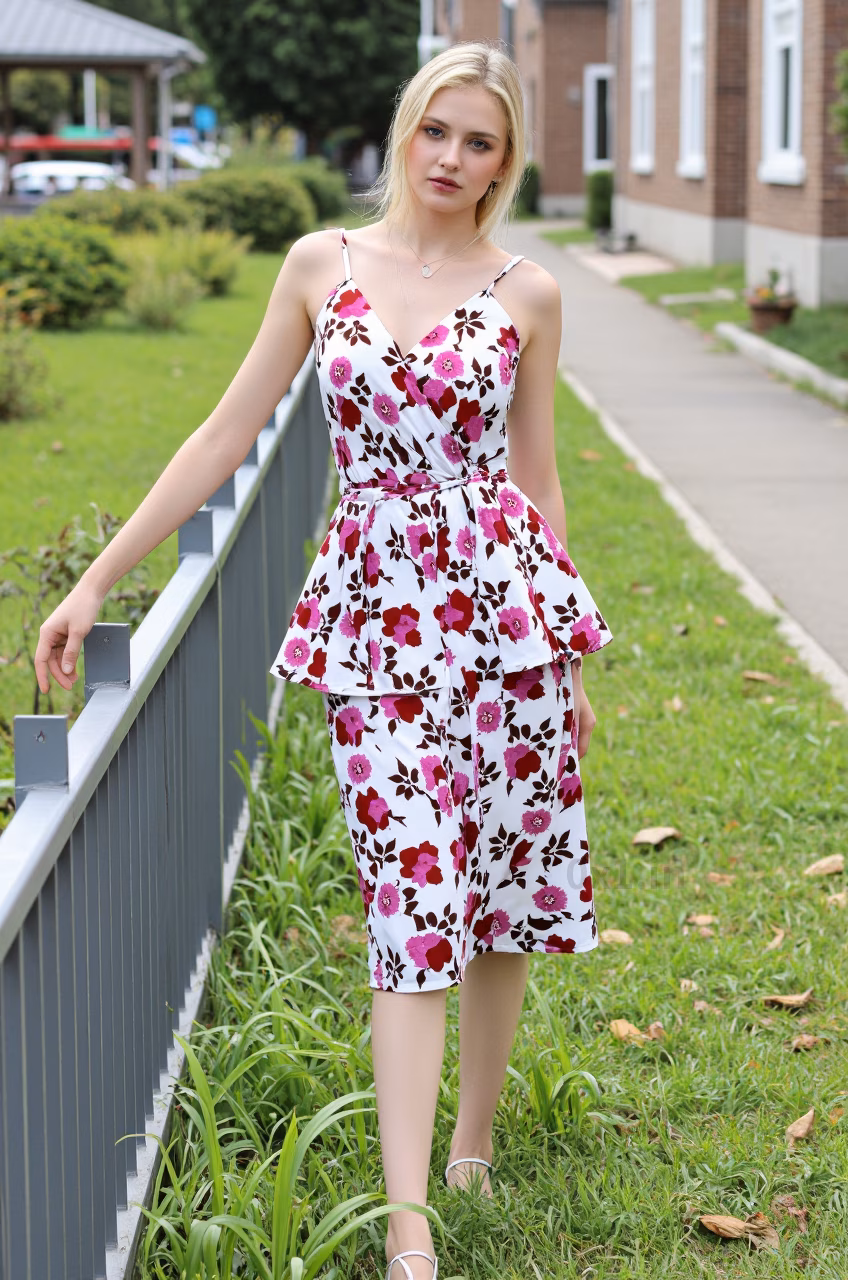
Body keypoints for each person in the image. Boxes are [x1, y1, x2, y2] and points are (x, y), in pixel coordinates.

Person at [34, 40, 613, 1280]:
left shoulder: (528, 291)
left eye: (481, 143)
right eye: (436, 132)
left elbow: (538, 479)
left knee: (497, 882)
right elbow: (224, 428)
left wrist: (561, 648)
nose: (452, 159)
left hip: (505, 621)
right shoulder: (320, 266)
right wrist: (96, 580)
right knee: (410, 887)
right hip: (376, 625)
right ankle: (406, 1218)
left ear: (506, 161)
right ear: (404, 131)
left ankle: (471, 1143)